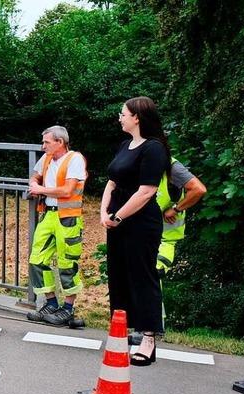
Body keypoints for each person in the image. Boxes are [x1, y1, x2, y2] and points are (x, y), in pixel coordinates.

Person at [100, 96, 170, 367]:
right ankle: (121, 331)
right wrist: (104, 213)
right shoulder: (125, 145)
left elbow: (146, 192)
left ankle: (149, 339)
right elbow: (111, 182)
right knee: (118, 274)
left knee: (142, 277)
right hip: (117, 221)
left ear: (137, 117)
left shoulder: (153, 149)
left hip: (140, 223)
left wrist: (117, 216)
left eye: (123, 114)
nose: (120, 117)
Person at [128, 159, 206, 344]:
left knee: (150, 276)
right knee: (147, 278)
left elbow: (199, 189)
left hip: (164, 239)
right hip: (147, 237)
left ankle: (149, 328)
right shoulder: (146, 164)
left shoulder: (170, 167)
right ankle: (153, 327)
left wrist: (176, 208)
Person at [25, 126, 87, 326]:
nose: (43, 146)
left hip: (68, 217)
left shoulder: (74, 159)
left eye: (46, 142)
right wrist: (35, 183)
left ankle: (68, 309)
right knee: (37, 259)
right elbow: (34, 176)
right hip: (48, 215)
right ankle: (51, 304)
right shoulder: (47, 159)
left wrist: (41, 189)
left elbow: (68, 190)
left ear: (60, 142)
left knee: (67, 263)